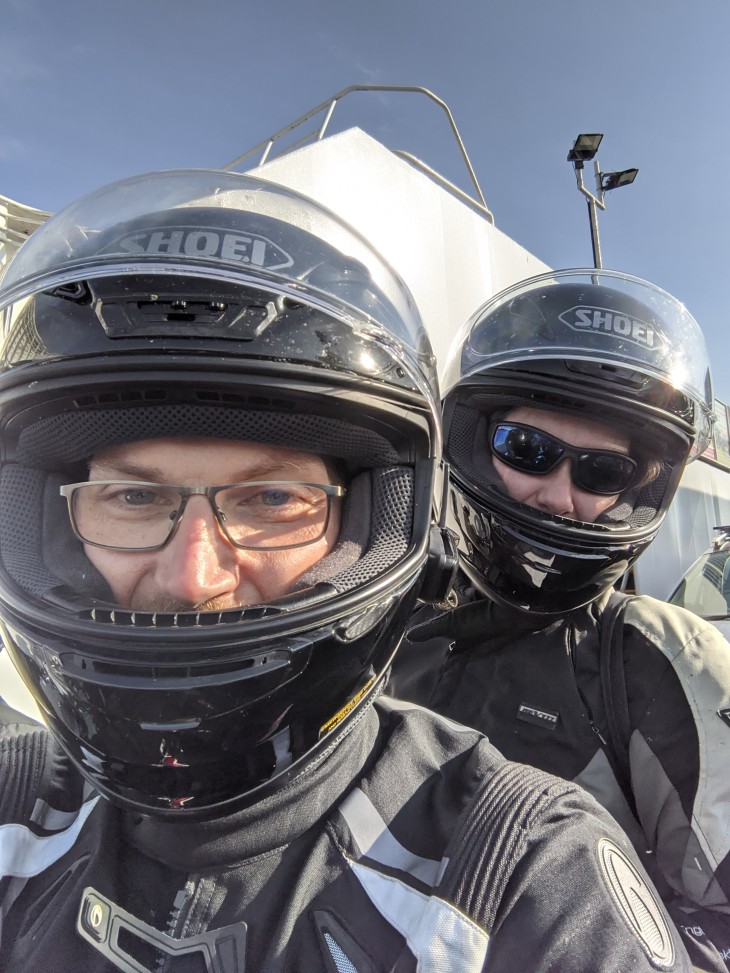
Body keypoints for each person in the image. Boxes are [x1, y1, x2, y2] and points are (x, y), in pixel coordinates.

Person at [0, 174, 693, 973]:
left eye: (270, 497)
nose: (194, 578)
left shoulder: (527, 869)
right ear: (43, 520)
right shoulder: (17, 803)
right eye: (131, 494)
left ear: (369, 524)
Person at [390, 269, 730, 972]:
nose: (558, 496)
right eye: (529, 449)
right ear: (475, 441)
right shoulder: (394, 620)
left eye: (603, 472)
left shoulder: (658, 654)